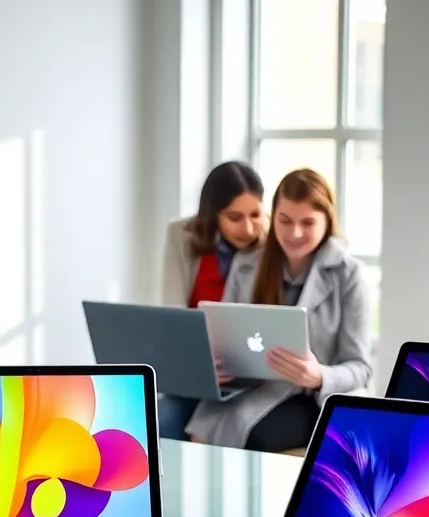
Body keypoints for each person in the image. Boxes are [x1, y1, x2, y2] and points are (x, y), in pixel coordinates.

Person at [185, 168, 372, 453]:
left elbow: (360, 368)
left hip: (312, 396)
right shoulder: (247, 264)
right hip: (251, 389)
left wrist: (319, 375)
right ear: (273, 217)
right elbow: (224, 338)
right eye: (285, 221)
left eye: (308, 222)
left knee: (254, 437)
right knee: (195, 430)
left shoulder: (349, 275)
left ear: (327, 221)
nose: (294, 233)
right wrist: (216, 365)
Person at [156, 160, 267, 440]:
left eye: (256, 214)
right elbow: (173, 315)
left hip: (250, 380)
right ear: (213, 214)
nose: (249, 227)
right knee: (163, 419)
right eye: (234, 217)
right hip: (194, 373)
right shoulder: (181, 236)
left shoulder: (272, 246)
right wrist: (198, 367)